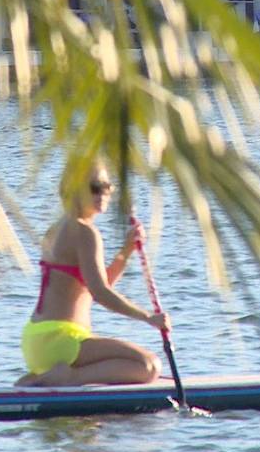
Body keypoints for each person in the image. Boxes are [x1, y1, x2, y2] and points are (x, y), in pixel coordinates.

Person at [16, 160, 171, 387]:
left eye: (107, 187)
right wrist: (149, 318)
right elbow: (100, 293)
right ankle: (69, 377)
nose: (103, 194)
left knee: (138, 364)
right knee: (149, 366)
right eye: (95, 188)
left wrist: (126, 251)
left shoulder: (57, 228)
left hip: (37, 340)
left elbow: (94, 287)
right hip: (61, 340)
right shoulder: (85, 232)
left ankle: (44, 377)